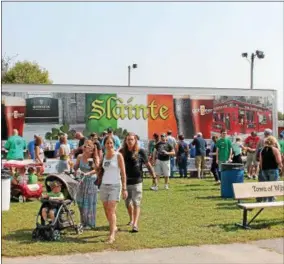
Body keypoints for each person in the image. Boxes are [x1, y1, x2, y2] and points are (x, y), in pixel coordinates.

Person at [120, 132, 157, 232]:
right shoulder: (122, 152)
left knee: (136, 202)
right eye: (128, 139)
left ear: (135, 140)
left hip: (137, 181)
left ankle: (135, 224)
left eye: (132, 139)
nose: (130, 141)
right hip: (125, 182)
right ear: (125, 141)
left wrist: (153, 175)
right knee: (127, 203)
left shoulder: (141, 151)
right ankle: (131, 219)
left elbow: (148, 164)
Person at [99, 135, 128, 244]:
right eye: (107, 143)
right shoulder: (104, 156)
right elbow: (101, 170)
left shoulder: (118, 156)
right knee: (106, 210)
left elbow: (123, 173)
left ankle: (111, 235)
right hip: (104, 185)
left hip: (115, 185)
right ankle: (113, 226)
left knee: (111, 209)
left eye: (111, 143)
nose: (109, 145)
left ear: (114, 144)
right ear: (104, 144)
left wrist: (124, 188)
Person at [74, 140, 99, 230]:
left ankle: (89, 223)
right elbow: (76, 167)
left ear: (92, 148)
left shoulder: (94, 158)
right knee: (80, 202)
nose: (84, 147)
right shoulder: (80, 156)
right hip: (81, 182)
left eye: (87, 146)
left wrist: (88, 173)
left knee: (89, 203)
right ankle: (82, 221)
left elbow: (97, 169)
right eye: (84, 146)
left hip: (91, 182)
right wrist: (73, 167)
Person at [259, 136, 283, 202]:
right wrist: (281, 166)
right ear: (273, 142)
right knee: (272, 186)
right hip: (273, 169)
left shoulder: (262, 150)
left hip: (264, 170)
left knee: (266, 186)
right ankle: (271, 200)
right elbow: (279, 161)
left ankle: (265, 200)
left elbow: (261, 162)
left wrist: (261, 170)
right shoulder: (275, 149)